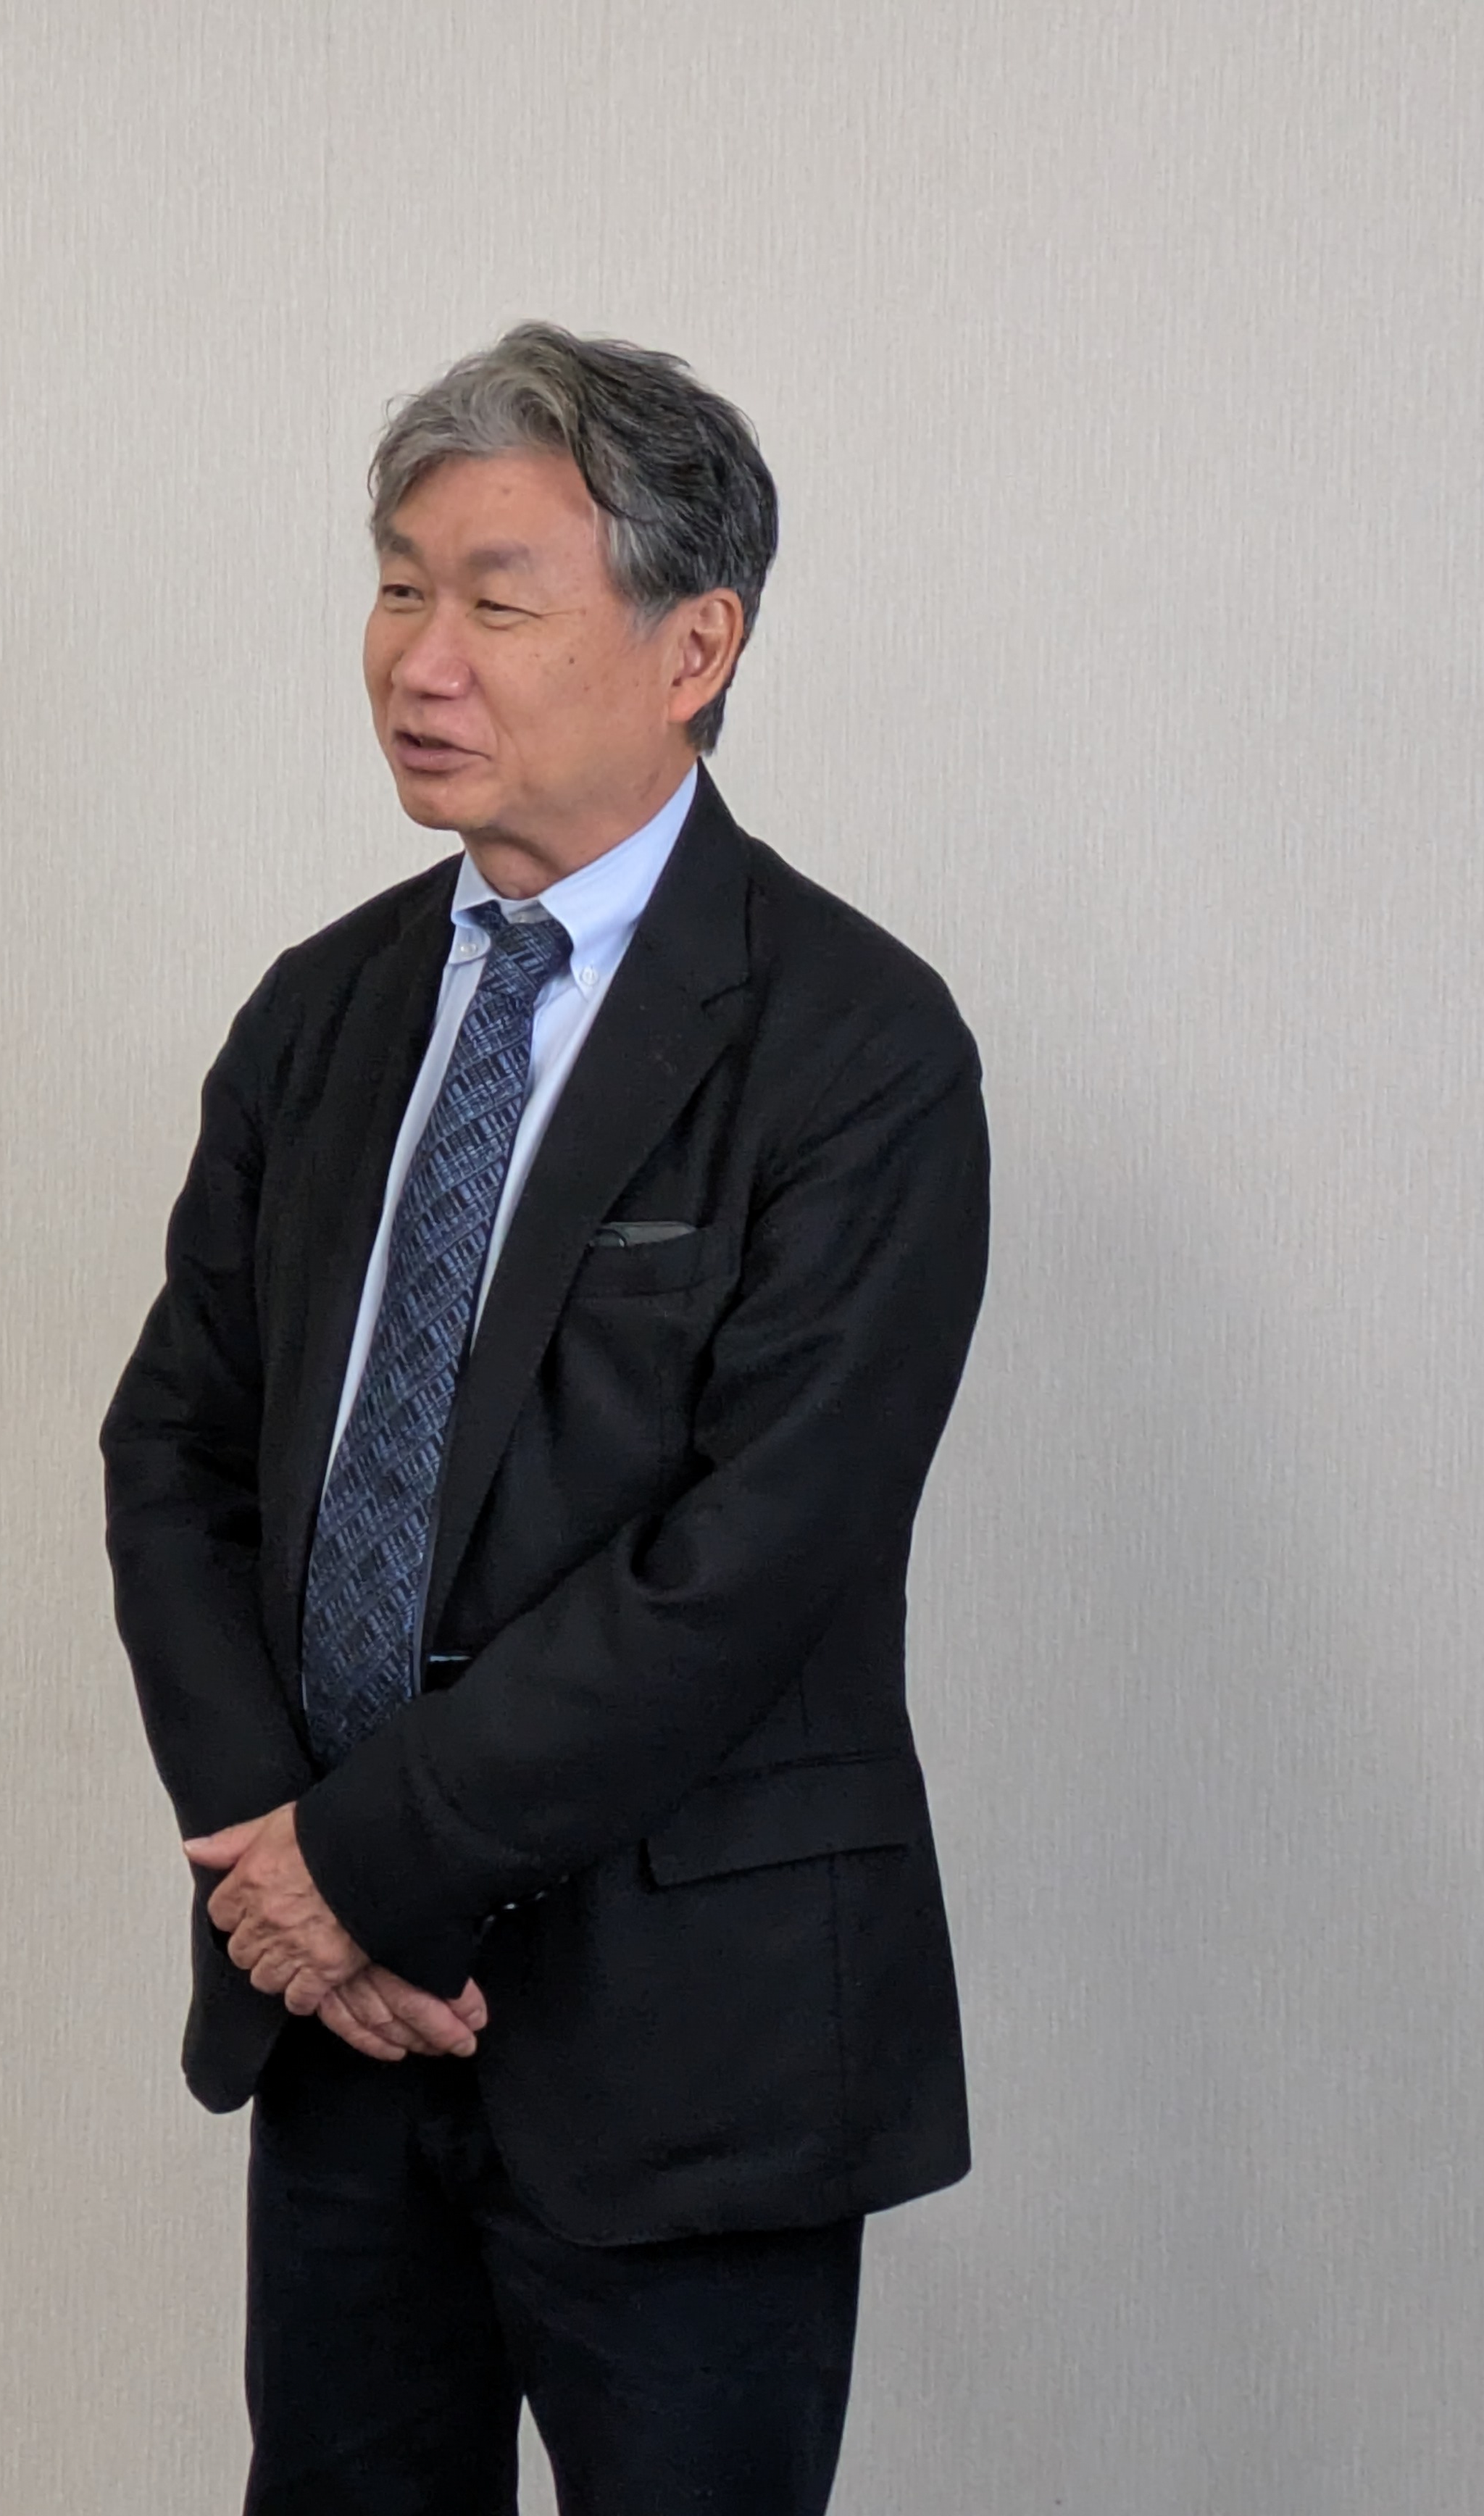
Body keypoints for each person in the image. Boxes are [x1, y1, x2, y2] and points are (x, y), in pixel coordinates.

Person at [103, 322, 988, 2515]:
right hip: (336, 2025)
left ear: (697, 647)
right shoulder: (322, 1014)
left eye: (498, 601)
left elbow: (744, 1568)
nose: (419, 659)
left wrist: (356, 1869)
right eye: (399, 588)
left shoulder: (858, 1048)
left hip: (684, 2040)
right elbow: (178, 1450)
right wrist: (268, 1857)